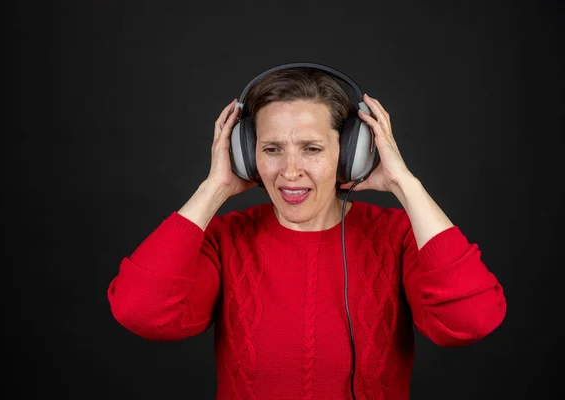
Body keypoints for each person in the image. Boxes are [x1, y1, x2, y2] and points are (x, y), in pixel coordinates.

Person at [107, 64, 506, 400]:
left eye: (311, 149)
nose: (290, 171)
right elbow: (139, 310)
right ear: (247, 155)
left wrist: (405, 183)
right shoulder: (225, 238)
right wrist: (214, 188)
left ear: (353, 154)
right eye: (271, 149)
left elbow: (471, 320)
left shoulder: (398, 235)